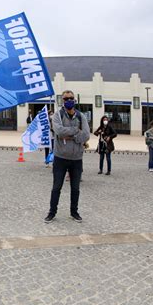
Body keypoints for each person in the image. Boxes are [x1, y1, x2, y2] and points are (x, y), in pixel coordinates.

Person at [45, 90, 90, 223]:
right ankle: (52, 212)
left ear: (74, 100)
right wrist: (76, 131)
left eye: (71, 98)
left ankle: (74, 212)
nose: (68, 100)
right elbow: (58, 130)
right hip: (60, 158)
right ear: (62, 101)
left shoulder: (81, 117)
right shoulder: (57, 115)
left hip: (76, 159)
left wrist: (70, 136)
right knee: (56, 187)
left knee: (75, 188)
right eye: (66, 99)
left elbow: (86, 134)